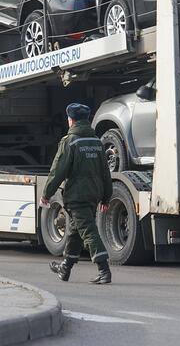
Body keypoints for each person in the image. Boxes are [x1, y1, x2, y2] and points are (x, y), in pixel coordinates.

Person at [41, 103, 113, 284]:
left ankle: (104, 270)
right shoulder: (97, 142)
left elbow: (58, 170)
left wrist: (47, 193)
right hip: (93, 194)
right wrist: (106, 196)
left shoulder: (70, 142)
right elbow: (105, 172)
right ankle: (65, 268)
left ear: (71, 120)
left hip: (77, 196)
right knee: (74, 232)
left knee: (88, 231)